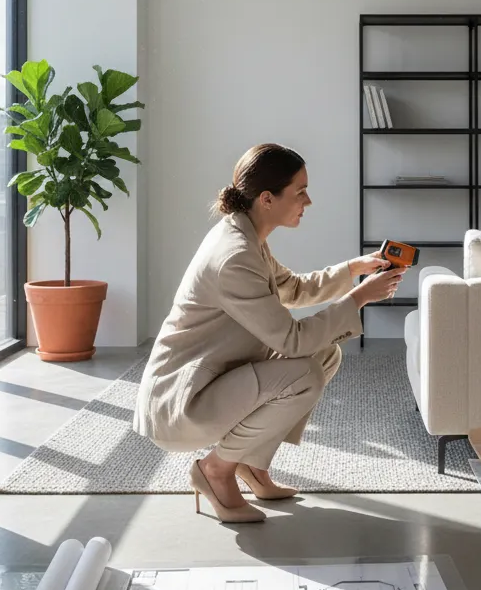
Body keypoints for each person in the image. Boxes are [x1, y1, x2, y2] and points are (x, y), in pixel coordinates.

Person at [133, 143, 404, 523]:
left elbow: (293, 289)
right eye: (300, 191)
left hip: (213, 380)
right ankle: (215, 470)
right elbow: (291, 341)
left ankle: (251, 462)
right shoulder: (235, 255)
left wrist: (354, 269)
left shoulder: (246, 236)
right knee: (303, 372)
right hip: (182, 402)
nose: (308, 201)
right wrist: (358, 299)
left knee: (325, 354)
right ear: (266, 198)